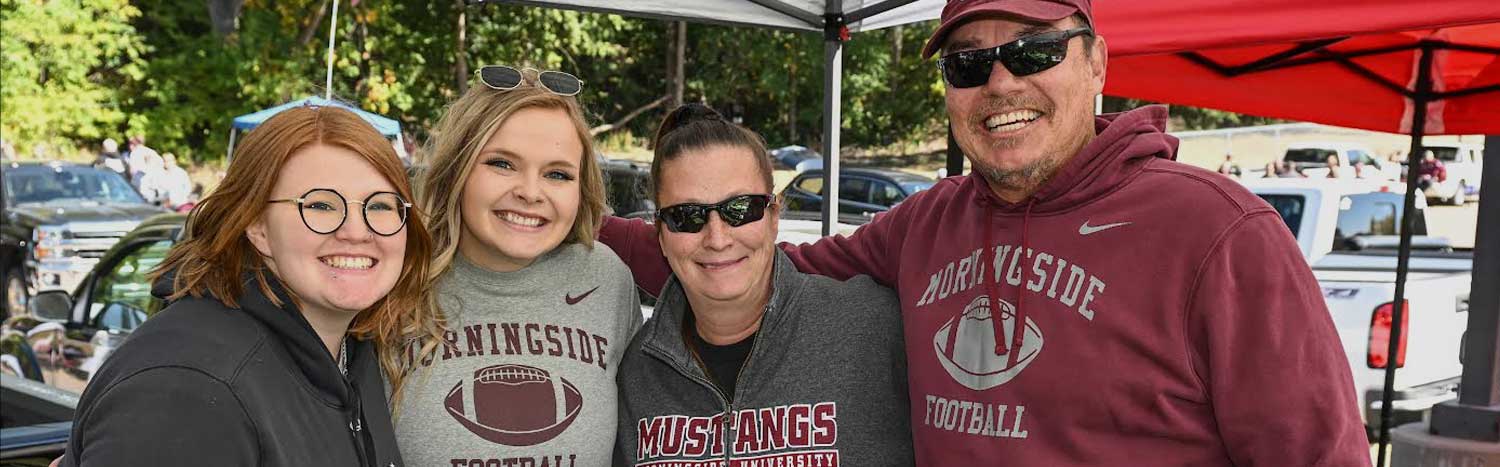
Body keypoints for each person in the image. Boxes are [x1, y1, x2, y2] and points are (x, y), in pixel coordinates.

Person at [599, 0, 1370, 464]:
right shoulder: (928, 223)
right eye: (969, 66)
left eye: (1032, 50)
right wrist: (572, 226)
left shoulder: (1219, 233)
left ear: (1097, 61)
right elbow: (747, 255)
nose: (999, 82)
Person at [57, 105, 430, 466]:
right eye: (319, 206)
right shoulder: (187, 389)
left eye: (380, 206)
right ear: (257, 225)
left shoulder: (355, 354)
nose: (355, 231)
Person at [611, 104, 913, 466]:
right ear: (660, 234)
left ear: (773, 217)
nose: (717, 238)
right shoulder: (639, 372)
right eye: (686, 216)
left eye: (741, 209)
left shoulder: (874, 326)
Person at [394, 65, 640, 466]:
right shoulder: (398, 278)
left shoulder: (605, 279)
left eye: (557, 174)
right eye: (502, 164)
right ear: (458, 168)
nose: (529, 192)